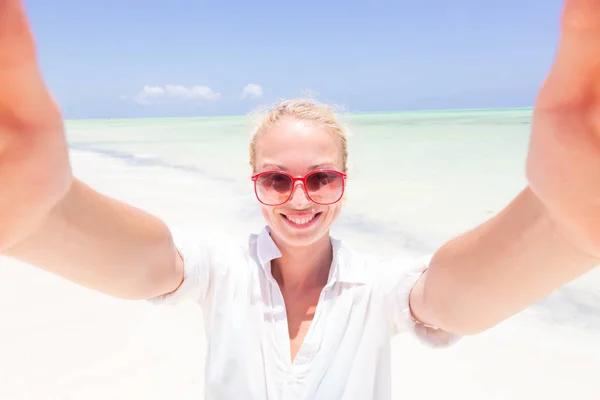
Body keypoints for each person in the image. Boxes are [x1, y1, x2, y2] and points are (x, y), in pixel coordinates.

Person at [2, 0, 600, 398]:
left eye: (320, 178)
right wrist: (50, 216)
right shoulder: (221, 270)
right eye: (276, 180)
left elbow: (450, 297)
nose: (299, 198)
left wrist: (559, 229)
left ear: (344, 183)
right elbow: (151, 265)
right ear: (254, 184)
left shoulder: (376, 288)